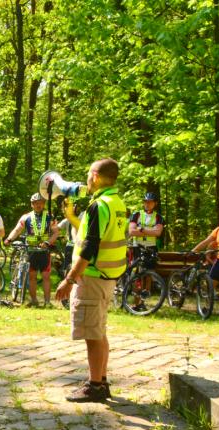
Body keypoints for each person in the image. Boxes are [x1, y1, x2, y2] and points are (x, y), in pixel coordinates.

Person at [54, 158, 127, 403]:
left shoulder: (99, 206)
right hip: (107, 277)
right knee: (99, 331)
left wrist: (69, 279)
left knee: (92, 335)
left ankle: (95, 386)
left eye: (88, 174)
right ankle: (101, 381)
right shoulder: (116, 203)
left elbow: (89, 247)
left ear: (95, 176)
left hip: (92, 277)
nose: (86, 179)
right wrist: (71, 216)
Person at [5, 193, 59, 306]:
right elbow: (17, 230)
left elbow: (56, 233)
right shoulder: (25, 217)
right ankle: (34, 301)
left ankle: (47, 302)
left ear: (44, 204)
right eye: (35, 203)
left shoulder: (50, 216)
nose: (38, 205)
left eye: (40, 203)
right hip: (30, 251)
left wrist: (47, 242)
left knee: (46, 277)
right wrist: (9, 239)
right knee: (32, 277)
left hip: (44, 251)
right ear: (32, 204)